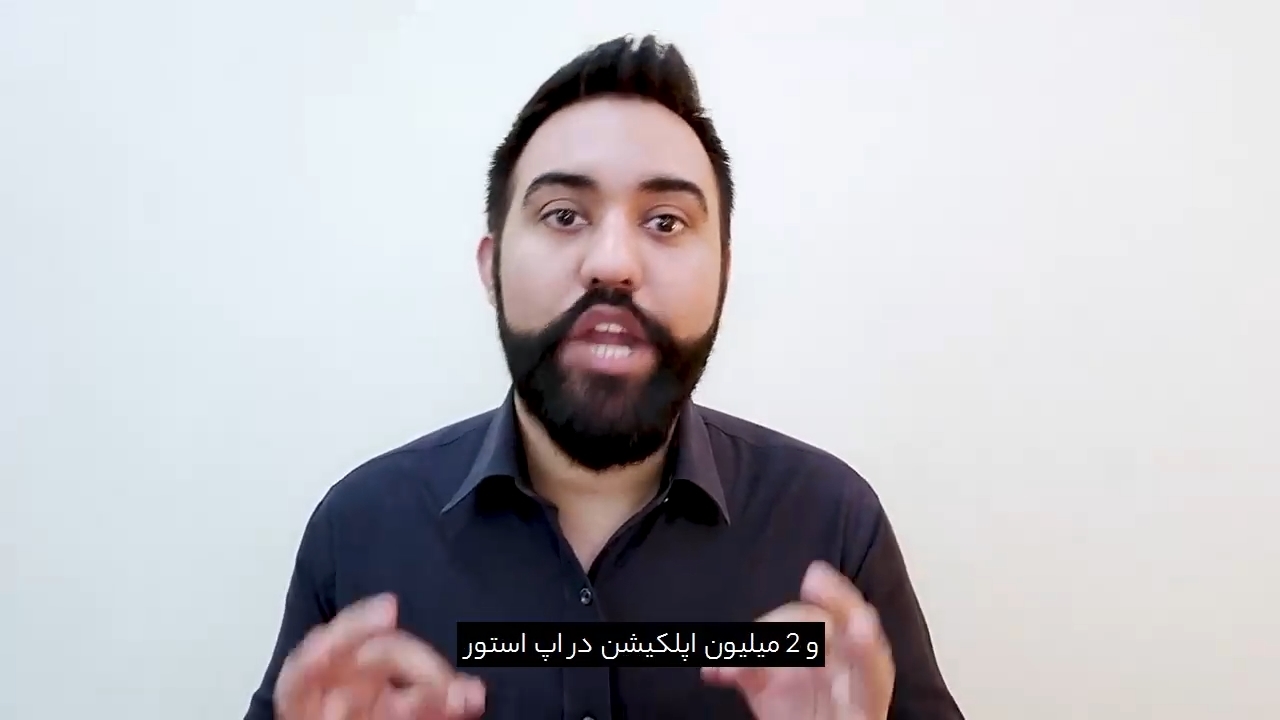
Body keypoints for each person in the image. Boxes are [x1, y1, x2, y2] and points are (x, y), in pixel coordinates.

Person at [244, 34, 964, 720]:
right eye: (564, 215)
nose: (612, 263)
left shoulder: (831, 524)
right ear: (492, 269)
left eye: (666, 222)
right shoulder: (360, 531)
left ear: (724, 272)